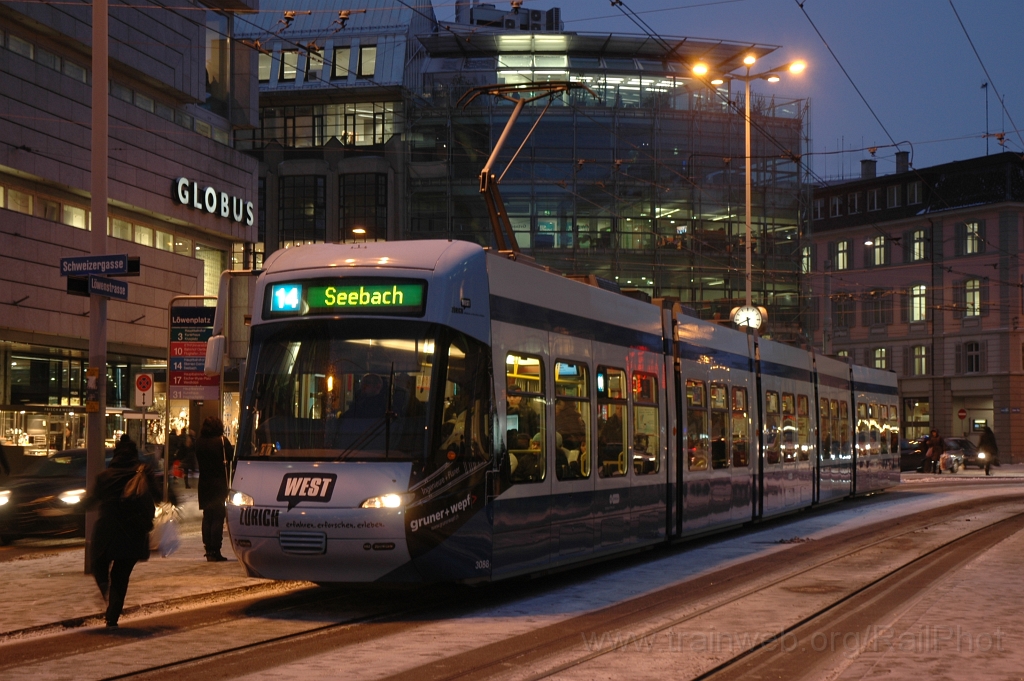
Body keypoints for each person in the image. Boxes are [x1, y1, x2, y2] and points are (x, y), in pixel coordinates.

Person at [86, 434, 158, 627]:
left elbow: (91, 501)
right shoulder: (144, 472)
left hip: (107, 533)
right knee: (121, 574)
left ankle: (107, 594)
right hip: (134, 533)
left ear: (115, 455)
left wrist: (73, 508)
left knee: (98, 565)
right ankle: (112, 615)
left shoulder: (105, 477)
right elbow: (159, 494)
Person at [196, 416, 232, 561]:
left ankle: (208, 549)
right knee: (218, 516)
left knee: (207, 516)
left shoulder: (199, 442)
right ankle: (215, 550)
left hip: (204, 483)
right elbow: (230, 457)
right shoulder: (222, 441)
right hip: (219, 483)